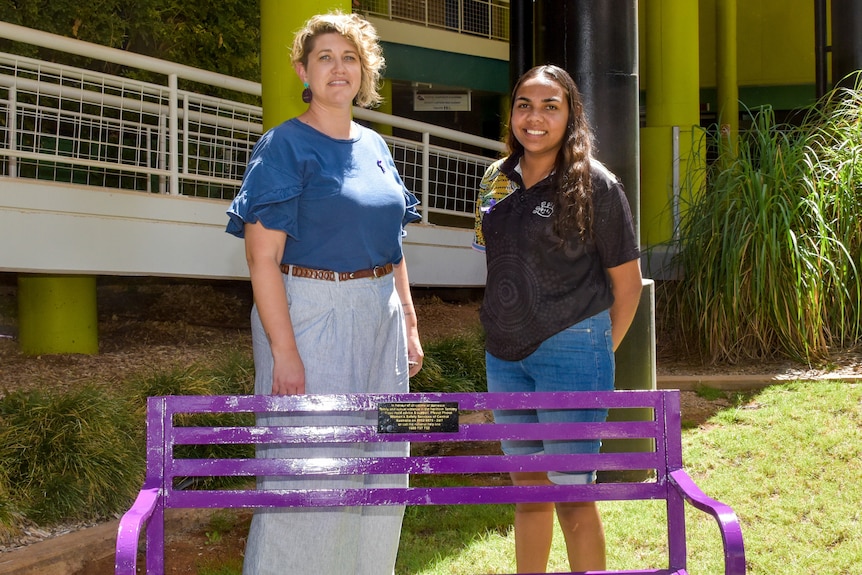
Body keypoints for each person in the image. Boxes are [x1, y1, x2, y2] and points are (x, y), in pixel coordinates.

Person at [225, 12, 423, 575]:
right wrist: (285, 351)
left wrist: (407, 321)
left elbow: (393, 243)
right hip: (311, 316)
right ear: (303, 71)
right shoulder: (284, 146)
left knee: (385, 470)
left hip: (380, 315)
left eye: (350, 58)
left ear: (366, 70)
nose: (339, 69)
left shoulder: (377, 145)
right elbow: (261, 258)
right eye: (325, 58)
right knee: (311, 473)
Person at [472, 64, 643, 573]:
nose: (535, 117)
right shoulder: (494, 180)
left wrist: (593, 358)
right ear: (512, 114)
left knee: (572, 494)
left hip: (574, 347)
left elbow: (628, 286)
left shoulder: (596, 184)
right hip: (504, 355)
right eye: (525, 104)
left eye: (551, 106)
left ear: (570, 117)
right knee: (528, 492)